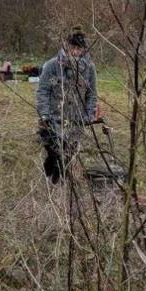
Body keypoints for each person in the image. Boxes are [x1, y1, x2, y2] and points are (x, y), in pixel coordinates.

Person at [36, 27, 98, 184]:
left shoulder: (89, 69)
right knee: (55, 152)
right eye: (73, 48)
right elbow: (43, 92)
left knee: (69, 154)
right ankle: (51, 181)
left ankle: (61, 184)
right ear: (66, 45)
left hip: (77, 121)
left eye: (79, 49)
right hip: (54, 119)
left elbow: (91, 94)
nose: (75, 52)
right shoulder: (51, 66)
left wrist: (89, 115)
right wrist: (44, 115)